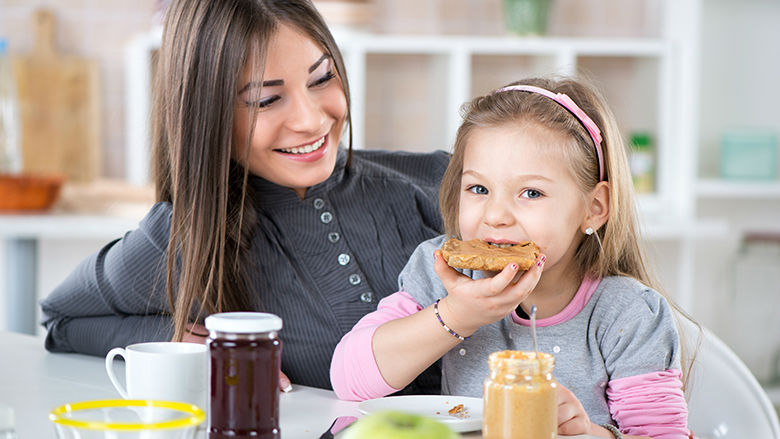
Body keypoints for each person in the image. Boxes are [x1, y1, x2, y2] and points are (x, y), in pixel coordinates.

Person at [39, 0, 446, 395]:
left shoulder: (444, 184)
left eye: (322, 78)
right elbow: (63, 320)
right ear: (207, 116)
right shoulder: (187, 237)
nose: (310, 119)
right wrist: (189, 341)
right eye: (265, 100)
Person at [331, 77, 691, 438]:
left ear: (594, 208)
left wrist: (589, 434)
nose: (495, 214)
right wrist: (458, 314)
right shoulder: (442, 268)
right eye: (478, 188)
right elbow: (349, 380)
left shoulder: (627, 313)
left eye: (531, 192)